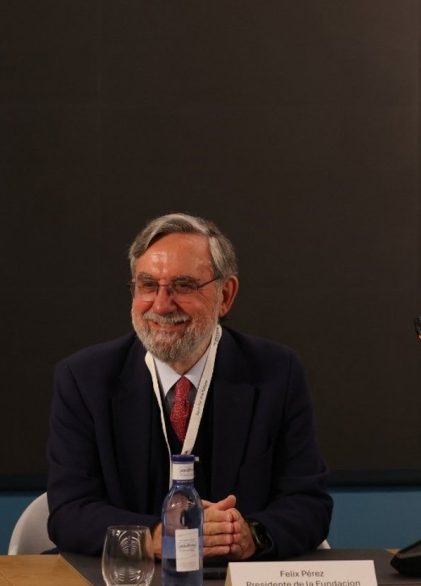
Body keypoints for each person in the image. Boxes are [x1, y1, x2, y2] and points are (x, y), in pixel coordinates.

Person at [47, 213, 332, 559]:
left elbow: (309, 503)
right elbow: (70, 511)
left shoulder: (276, 372)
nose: (161, 305)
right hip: (127, 580)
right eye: (148, 285)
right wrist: (161, 537)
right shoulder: (84, 378)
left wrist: (249, 535)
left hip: (235, 580)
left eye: (183, 286)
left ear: (225, 295)